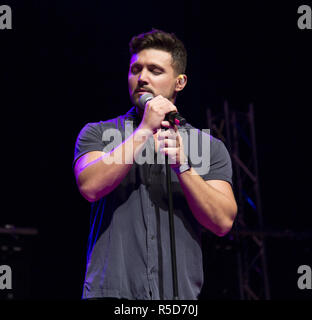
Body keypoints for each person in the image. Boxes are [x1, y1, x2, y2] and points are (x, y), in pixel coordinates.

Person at [73, 29, 237, 300]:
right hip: (111, 295)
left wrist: (183, 167)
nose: (142, 78)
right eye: (135, 69)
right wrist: (143, 132)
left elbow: (222, 221)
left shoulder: (208, 146)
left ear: (179, 82)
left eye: (155, 70)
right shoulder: (98, 134)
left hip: (178, 298)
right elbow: (90, 186)